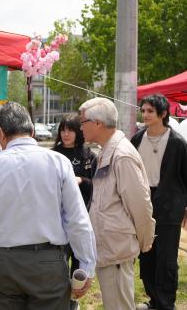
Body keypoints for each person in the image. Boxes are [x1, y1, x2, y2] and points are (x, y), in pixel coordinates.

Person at [0, 101, 97, 310]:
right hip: (48, 262)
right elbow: (78, 220)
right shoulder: (58, 162)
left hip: (4, 261)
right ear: (32, 130)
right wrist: (87, 265)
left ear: (0, 133)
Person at [79, 97, 155, 310]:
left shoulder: (121, 155)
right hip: (110, 247)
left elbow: (140, 206)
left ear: (97, 123)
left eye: (83, 122)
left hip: (117, 249)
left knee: (119, 306)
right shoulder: (107, 150)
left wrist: (143, 241)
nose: (80, 127)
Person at [131, 94, 187, 310]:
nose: (145, 115)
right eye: (143, 110)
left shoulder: (178, 143)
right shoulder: (137, 139)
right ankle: (154, 300)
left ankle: (166, 303)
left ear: (163, 114)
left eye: (150, 111)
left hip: (169, 206)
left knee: (166, 260)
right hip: (143, 203)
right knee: (146, 256)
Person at [53, 113, 97, 310]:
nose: (66, 133)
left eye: (70, 129)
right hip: (56, 222)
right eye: (63, 129)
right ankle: (59, 301)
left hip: (81, 219)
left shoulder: (88, 155)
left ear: (78, 131)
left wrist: (81, 181)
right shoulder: (52, 155)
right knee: (58, 264)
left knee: (79, 265)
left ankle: (74, 301)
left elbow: (98, 185)